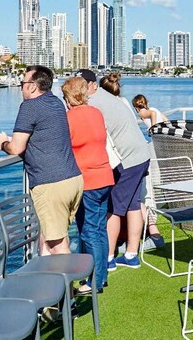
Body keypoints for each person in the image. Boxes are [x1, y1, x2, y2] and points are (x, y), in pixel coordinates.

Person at [0, 65, 83, 255]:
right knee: (54, 236)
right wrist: (15, 140)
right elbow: (44, 136)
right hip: (72, 178)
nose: (21, 87)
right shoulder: (56, 103)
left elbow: (16, 148)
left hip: (51, 184)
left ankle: (69, 284)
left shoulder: (29, 106)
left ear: (32, 86)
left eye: (22, 83)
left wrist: (3, 143)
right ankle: (51, 283)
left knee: (58, 246)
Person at [78, 69, 153, 270]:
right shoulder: (110, 97)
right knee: (133, 205)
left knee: (114, 209)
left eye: (84, 84)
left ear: (93, 85)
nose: (82, 88)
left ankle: (109, 258)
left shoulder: (92, 103)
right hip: (141, 154)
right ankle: (130, 255)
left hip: (127, 160)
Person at [61, 76, 113, 294]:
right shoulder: (96, 113)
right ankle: (101, 275)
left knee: (89, 231)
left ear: (69, 97)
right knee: (99, 228)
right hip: (105, 176)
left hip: (88, 181)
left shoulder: (69, 118)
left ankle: (94, 281)